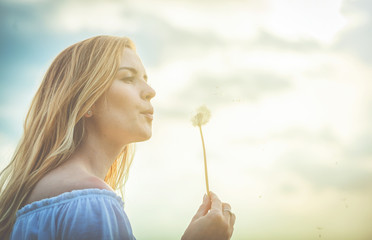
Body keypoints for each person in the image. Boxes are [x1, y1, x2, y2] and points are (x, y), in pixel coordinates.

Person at [0, 35, 235, 240]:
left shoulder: (34, 198)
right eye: (128, 78)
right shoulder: (93, 203)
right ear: (87, 101)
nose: (150, 91)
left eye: (145, 78)